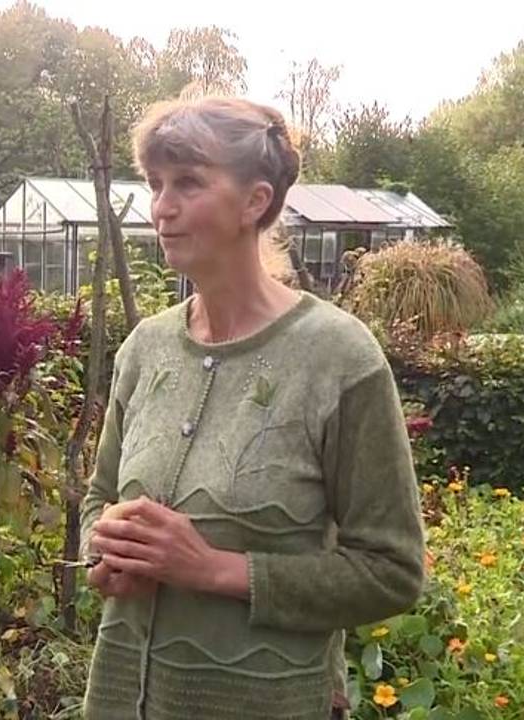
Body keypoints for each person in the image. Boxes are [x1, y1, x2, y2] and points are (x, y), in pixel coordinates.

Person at [80, 97, 425, 719]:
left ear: (254, 201)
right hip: (117, 698)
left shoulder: (339, 359)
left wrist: (211, 569)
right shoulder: (145, 349)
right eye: (155, 184)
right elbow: (98, 494)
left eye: (188, 182)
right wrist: (102, 553)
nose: (162, 206)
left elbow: (392, 571)